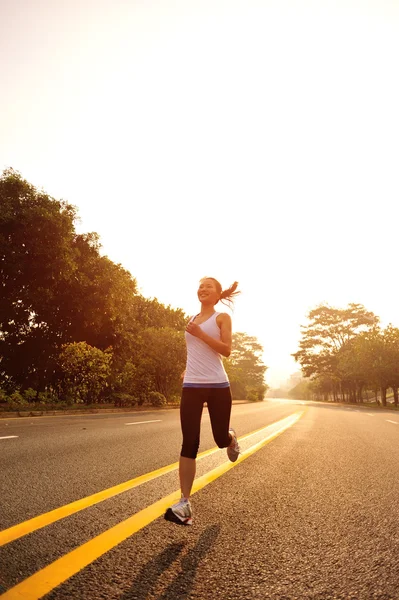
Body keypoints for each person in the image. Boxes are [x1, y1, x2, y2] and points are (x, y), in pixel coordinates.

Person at [164, 277, 241, 526]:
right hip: (192, 386)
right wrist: (189, 371)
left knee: (219, 440)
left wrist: (200, 334)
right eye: (200, 286)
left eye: (208, 286)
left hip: (218, 386)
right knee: (190, 443)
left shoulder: (221, 318)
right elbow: (195, 352)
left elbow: (226, 350)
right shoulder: (191, 320)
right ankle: (184, 504)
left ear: (218, 294)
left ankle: (230, 438)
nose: (203, 289)